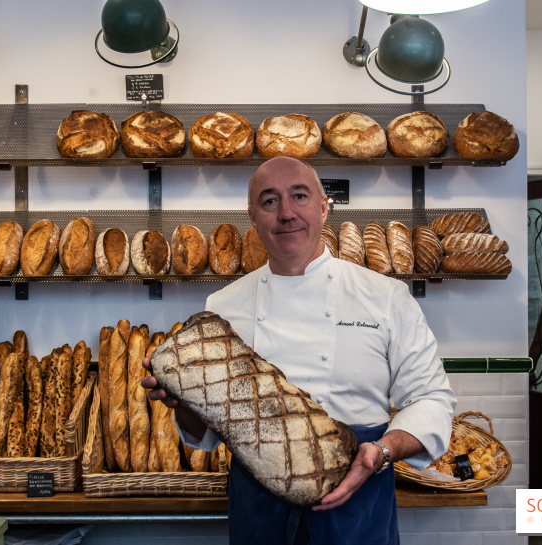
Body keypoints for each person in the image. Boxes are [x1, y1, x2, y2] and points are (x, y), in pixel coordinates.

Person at [142, 156, 456, 544]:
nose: (287, 213)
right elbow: (206, 432)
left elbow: (431, 399)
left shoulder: (386, 297)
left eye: (300, 196)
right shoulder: (223, 306)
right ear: (253, 218)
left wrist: (382, 451)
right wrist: (182, 402)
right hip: (259, 505)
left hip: (359, 497)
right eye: (269, 201)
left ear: (325, 207)